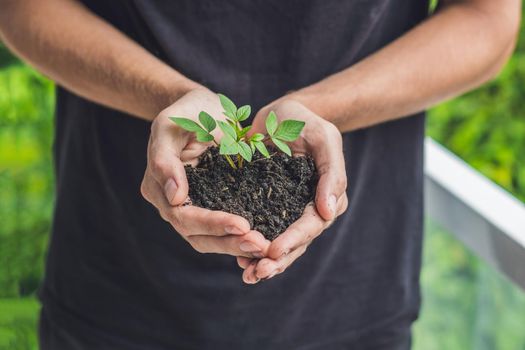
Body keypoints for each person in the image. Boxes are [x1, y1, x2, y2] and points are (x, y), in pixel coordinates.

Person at [0, 0, 520, 349]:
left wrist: (322, 107)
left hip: (351, 295)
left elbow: (485, 20)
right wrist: (168, 99)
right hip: (114, 283)